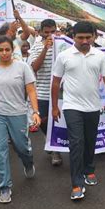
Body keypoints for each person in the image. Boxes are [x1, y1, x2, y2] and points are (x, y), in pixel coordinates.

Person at [51, 21, 105, 200]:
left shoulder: (99, 56)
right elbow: (56, 82)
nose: (85, 41)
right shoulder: (64, 56)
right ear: (74, 37)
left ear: (94, 37)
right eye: (80, 37)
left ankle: (89, 170)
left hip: (93, 107)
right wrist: (54, 107)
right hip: (72, 106)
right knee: (76, 143)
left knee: (90, 140)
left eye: (88, 37)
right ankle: (76, 184)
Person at [0, 36, 41, 204]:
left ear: (12, 50)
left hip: (18, 113)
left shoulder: (22, 67)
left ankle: (28, 163)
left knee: (22, 147)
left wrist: (35, 112)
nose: (4, 53)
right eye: (0, 50)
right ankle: (4, 187)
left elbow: (31, 90)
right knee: (0, 152)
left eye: (7, 49)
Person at [28, 19, 63, 165]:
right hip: (42, 91)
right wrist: (45, 49)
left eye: (52, 31)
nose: (50, 35)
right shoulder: (36, 46)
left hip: (60, 91)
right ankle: (48, 138)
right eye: (46, 32)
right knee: (41, 121)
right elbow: (34, 67)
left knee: (57, 120)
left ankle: (56, 150)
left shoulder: (62, 45)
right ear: (41, 32)